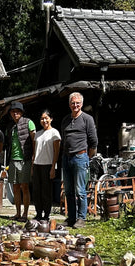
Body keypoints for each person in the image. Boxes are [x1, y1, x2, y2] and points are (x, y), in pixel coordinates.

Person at [60, 92, 98, 228]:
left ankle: (81, 218)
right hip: (66, 158)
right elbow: (63, 140)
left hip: (80, 157)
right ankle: (71, 218)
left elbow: (93, 141)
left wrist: (87, 156)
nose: (75, 105)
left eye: (77, 103)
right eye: (72, 103)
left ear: (81, 104)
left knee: (80, 190)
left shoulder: (87, 119)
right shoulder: (65, 120)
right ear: (69, 104)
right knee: (69, 190)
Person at [5, 101, 35, 221]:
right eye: (13, 111)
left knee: (25, 187)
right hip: (13, 160)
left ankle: (25, 214)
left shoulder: (29, 122)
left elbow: (34, 140)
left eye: (17, 111)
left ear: (21, 113)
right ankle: (17, 213)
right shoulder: (10, 126)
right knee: (15, 187)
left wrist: (33, 157)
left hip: (25, 159)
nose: (15, 113)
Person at [31, 109, 61, 221]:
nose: (44, 120)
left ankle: (46, 215)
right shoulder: (37, 134)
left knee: (46, 191)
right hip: (37, 164)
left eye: (46, 118)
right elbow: (34, 152)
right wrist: (32, 167)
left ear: (51, 119)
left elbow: (56, 152)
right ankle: (38, 213)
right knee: (36, 191)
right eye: (42, 118)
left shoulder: (55, 133)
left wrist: (53, 167)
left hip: (48, 164)